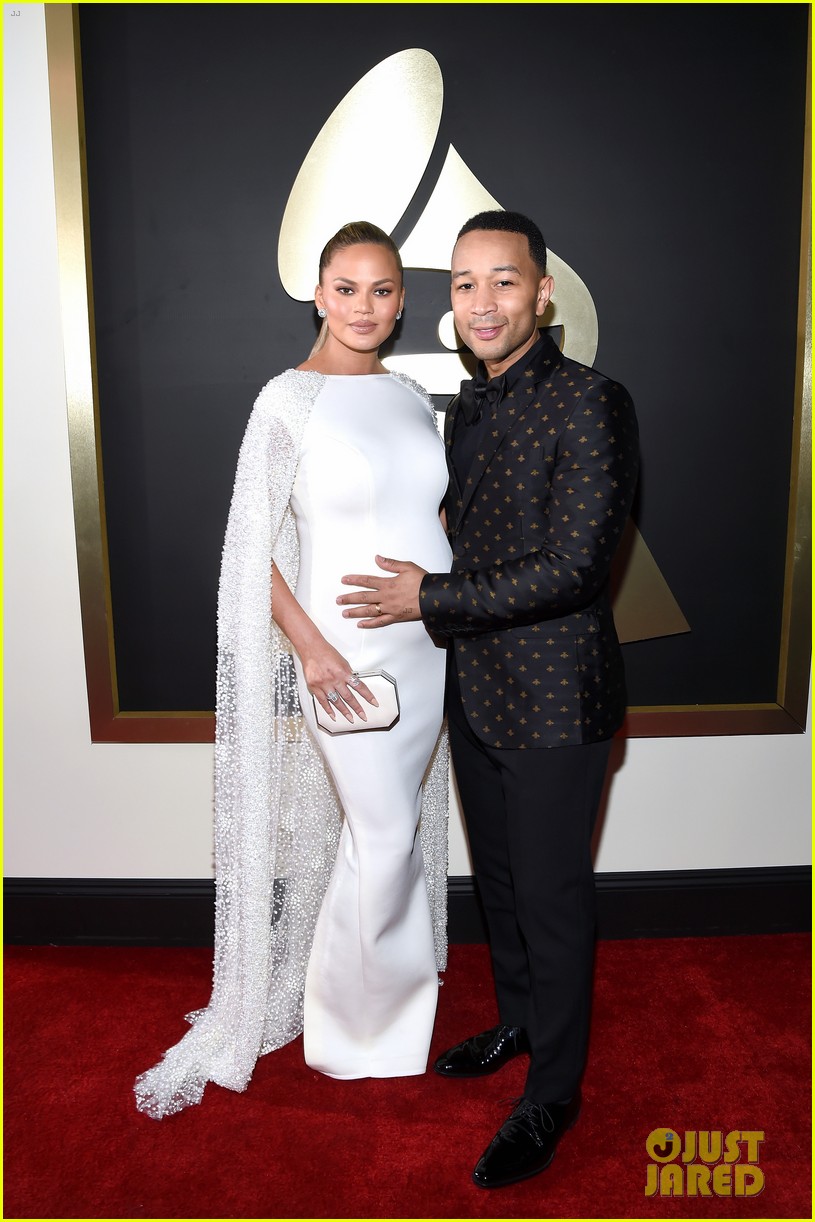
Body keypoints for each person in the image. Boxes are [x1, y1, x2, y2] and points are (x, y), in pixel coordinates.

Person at [337, 210, 639, 1187]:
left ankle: (553, 1093)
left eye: (502, 280)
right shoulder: (466, 406)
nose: (481, 301)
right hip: (473, 687)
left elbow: (575, 567)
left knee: (551, 900)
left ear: (541, 293)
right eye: (463, 283)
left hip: (555, 701)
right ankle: (519, 1020)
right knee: (501, 884)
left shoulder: (592, 401)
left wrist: (425, 599)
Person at [134, 222, 451, 1118]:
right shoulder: (286, 401)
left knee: (386, 836)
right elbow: (250, 551)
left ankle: (373, 1009)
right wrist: (310, 648)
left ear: (401, 301)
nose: (363, 307)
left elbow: (428, 516)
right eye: (346, 289)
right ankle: (355, 1031)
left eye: (381, 290)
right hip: (344, 656)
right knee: (381, 836)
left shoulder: (409, 396)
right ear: (317, 295)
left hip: (426, 647)